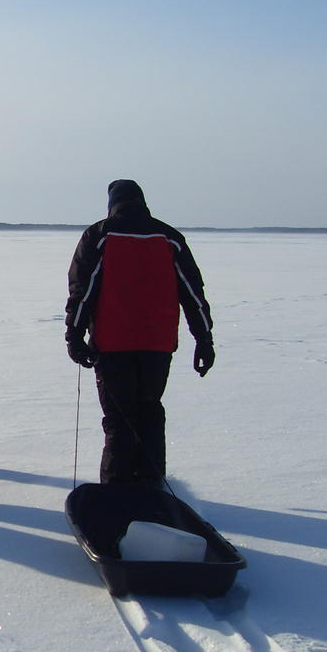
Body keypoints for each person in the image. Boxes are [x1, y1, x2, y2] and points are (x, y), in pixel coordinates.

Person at [64, 179, 214, 485]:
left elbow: (82, 290)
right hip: (157, 345)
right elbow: (193, 293)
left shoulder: (100, 235)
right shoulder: (169, 237)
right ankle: (151, 487)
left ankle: (117, 491)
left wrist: (75, 335)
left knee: (120, 419)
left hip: (112, 343)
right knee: (149, 412)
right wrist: (204, 339)